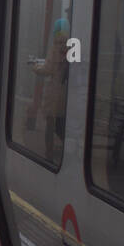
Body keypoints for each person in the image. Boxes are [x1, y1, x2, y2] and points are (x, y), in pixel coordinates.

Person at [30, 16, 70, 161]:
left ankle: (49, 154)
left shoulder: (56, 45)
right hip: (66, 92)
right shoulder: (72, 44)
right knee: (61, 124)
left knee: (50, 124)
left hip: (54, 92)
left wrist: (35, 67)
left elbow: (48, 69)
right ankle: (68, 152)